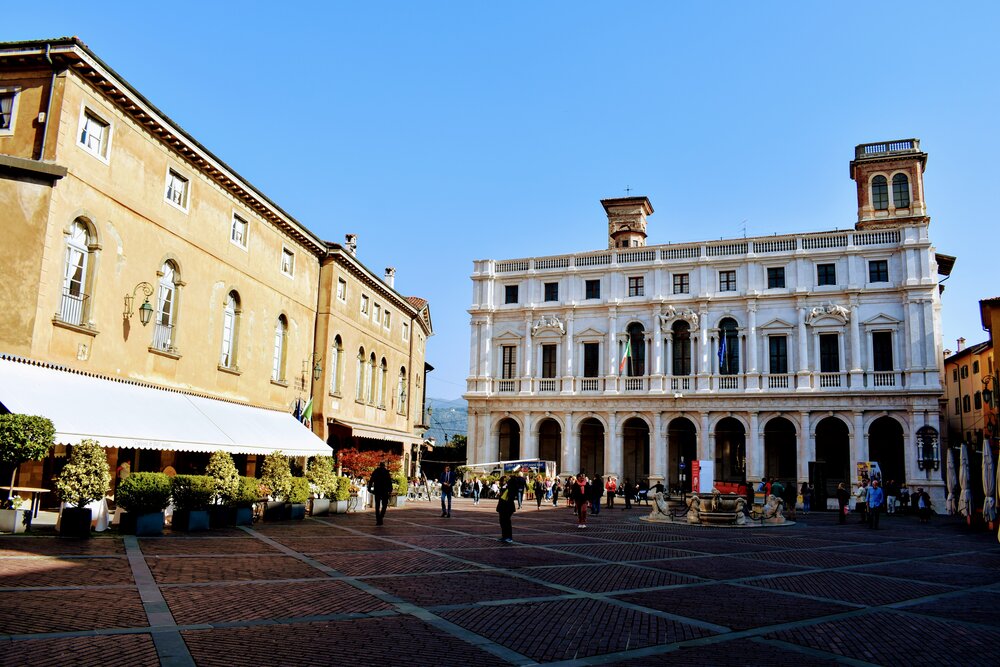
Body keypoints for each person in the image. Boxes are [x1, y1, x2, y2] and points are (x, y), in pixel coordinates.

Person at [368, 461, 393, 526]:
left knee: (377, 505)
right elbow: (389, 482)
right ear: (384, 466)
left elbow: (371, 480)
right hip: (384, 490)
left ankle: (378, 518)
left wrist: (369, 488)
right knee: (384, 505)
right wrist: (390, 490)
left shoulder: (376, 471)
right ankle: (381, 516)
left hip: (378, 490)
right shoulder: (386, 472)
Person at [496, 476, 516, 543]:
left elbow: (514, 480)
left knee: (507, 522)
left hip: (508, 508)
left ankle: (509, 537)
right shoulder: (503, 488)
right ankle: (504, 536)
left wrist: (509, 478)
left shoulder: (510, 487)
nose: (500, 482)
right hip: (502, 508)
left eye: (502, 481)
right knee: (502, 522)